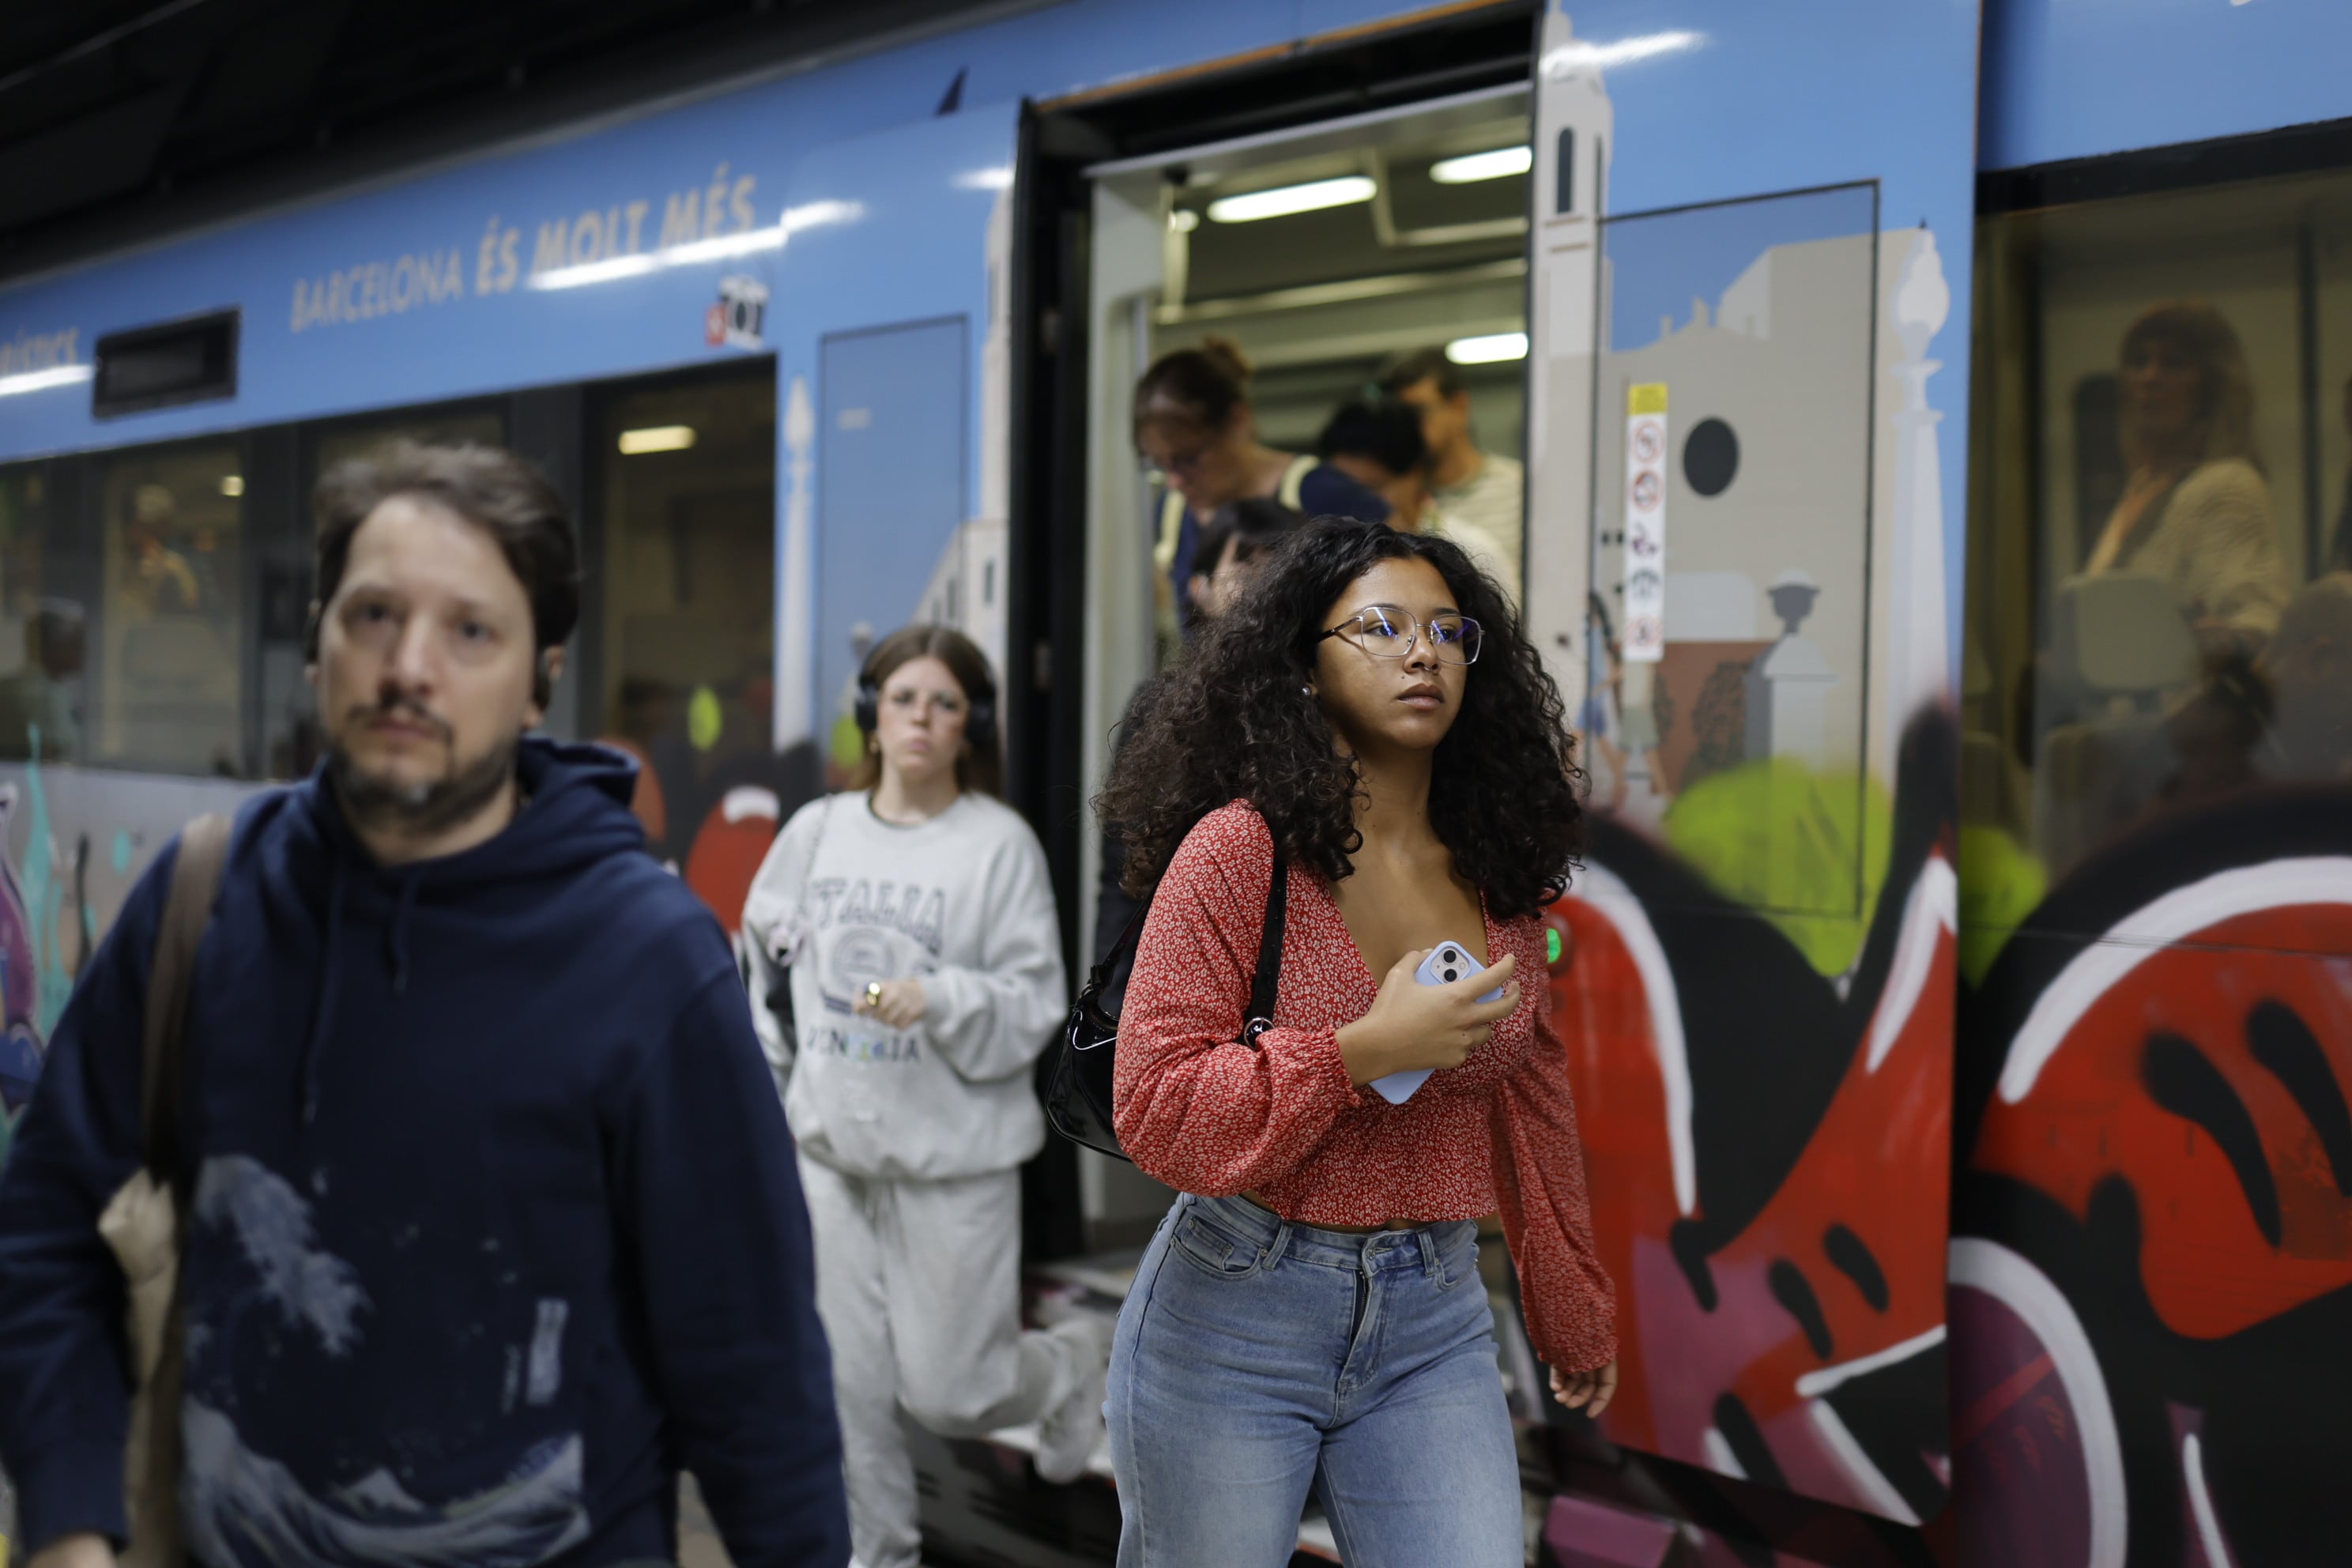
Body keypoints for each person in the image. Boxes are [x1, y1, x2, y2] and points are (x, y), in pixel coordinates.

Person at [0, 442, 850, 1567]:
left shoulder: (648, 962)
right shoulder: (201, 902)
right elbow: (49, 1231)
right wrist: (68, 1525)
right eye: (373, 616)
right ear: (315, 647)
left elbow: (757, 1385)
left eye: (470, 631)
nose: (410, 666)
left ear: (541, 677)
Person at [1096, 515, 1616, 1566]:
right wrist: (1358, 1053)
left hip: (1435, 1320)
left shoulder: (1493, 860)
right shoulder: (1240, 850)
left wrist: (1570, 1307)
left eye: (1447, 631)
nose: (1420, 651)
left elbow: (1531, 1092)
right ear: (1304, 668)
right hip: (1233, 1313)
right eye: (1378, 626)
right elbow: (1153, 1105)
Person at [740, 625, 1105, 1568]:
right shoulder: (815, 832)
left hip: (955, 1164)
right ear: (871, 715)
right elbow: (763, 971)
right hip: (831, 1162)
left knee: (952, 1394)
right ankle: (881, 1554)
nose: (922, 719)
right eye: (904, 699)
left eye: (946, 704)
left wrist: (939, 1000)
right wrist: (779, 1083)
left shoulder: (997, 846)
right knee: (850, 1393)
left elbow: (1036, 1001)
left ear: (971, 725)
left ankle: (1070, 1365)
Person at [1096, 498, 1306, 974]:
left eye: (1285, 572)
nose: (1267, 589)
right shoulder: (1160, 705)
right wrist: (1111, 992)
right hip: (1176, 960)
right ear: (1200, 587)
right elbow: (1123, 872)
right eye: (1248, 567)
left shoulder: (1330, 701)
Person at [1134, 337, 1388, 643]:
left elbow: (1396, 603)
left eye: (1188, 459)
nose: (1175, 481)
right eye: (1161, 465)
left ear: (1238, 422)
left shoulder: (1318, 493)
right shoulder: (1173, 510)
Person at [2082, 300, 2289, 662]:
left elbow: (2258, 618)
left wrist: (2232, 639)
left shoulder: (2227, 484)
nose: (2150, 377)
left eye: (2173, 363)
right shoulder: (2142, 485)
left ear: (2212, 387)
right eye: (2139, 362)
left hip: (2182, 714)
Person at [1317, 399, 1518, 599]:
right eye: (1343, 493)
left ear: (1415, 474)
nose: (1356, 505)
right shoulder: (1322, 560)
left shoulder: (1473, 554)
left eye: (1371, 489)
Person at [1383, 347, 1525, 576]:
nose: (1408, 427)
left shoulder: (1520, 489)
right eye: (1400, 416)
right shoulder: (1398, 502)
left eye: (1419, 412)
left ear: (1459, 406)